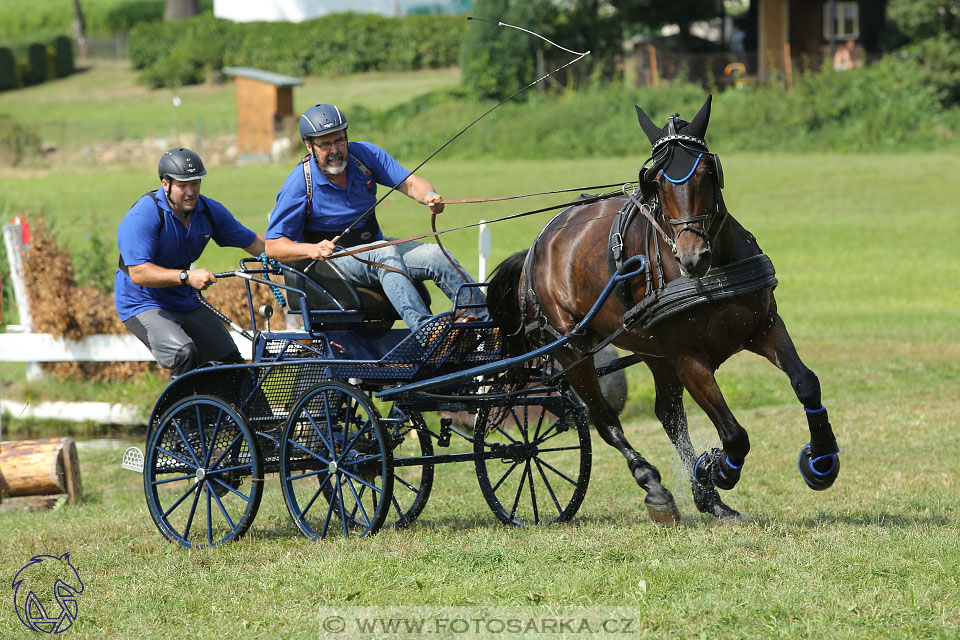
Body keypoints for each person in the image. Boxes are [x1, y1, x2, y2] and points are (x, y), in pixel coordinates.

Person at [265, 103, 487, 331]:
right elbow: (272, 246)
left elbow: (410, 183)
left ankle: (484, 321)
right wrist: (311, 250)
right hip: (332, 263)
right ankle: (427, 333)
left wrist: (429, 196)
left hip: (373, 248)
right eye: (325, 145)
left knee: (435, 255)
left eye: (340, 141)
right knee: (384, 251)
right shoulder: (300, 184)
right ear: (309, 147)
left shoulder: (365, 156)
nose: (335, 150)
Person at [114, 148, 265, 377]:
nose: (191, 192)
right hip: (142, 301)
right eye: (183, 186)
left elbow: (256, 244)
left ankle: (242, 412)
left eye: (195, 184)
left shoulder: (209, 211)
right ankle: (180, 413)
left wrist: (305, 253)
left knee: (229, 359)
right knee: (185, 353)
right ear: (166, 184)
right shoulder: (144, 215)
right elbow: (139, 273)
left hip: (183, 300)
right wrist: (186, 277)